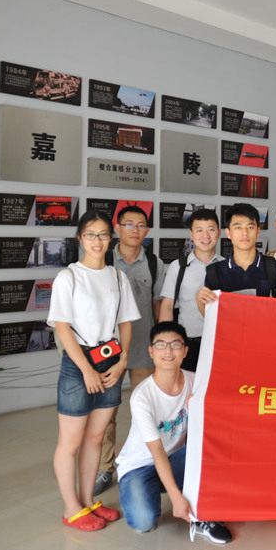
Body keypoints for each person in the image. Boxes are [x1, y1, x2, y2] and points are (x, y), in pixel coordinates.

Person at [47, 210, 140, 531]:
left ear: (110, 238)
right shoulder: (69, 277)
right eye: (90, 234)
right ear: (80, 238)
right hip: (78, 362)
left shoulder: (117, 277)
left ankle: (87, 501)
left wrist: (123, 360)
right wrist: (85, 368)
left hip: (110, 359)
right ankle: (71, 508)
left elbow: (125, 322)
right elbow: (62, 327)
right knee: (70, 441)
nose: (97, 241)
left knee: (95, 437)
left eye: (102, 234)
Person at [115, 321, 232, 544]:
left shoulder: (196, 381)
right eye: (160, 345)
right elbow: (157, 452)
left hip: (175, 458)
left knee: (210, 448)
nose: (168, 351)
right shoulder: (142, 397)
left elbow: (216, 423)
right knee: (143, 522)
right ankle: (151, 488)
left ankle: (204, 513)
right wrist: (176, 499)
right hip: (140, 465)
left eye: (175, 345)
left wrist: (198, 411)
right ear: (151, 352)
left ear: (185, 351)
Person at [94, 205, 164, 496]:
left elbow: (158, 306)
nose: (135, 230)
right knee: (105, 412)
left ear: (146, 230)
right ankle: (103, 468)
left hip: (144, 349)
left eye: (140, 225)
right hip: (108, 351)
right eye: (129, 224)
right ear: (117, 228)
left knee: (145, 411)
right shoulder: (104, 259)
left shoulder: (155, 263)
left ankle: (142, 463)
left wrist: (161, 344)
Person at [158, 208, 223, 372]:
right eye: (199, 230)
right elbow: (167, 306)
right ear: (191, 235)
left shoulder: (227, 267)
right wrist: (165, 342)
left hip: (220, 343)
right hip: (187, 343)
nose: (205, 236)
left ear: (219, 233)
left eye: (211, 229)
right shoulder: (178, 267)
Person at [197, 203, 276, 305]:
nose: (245, 233)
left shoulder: (273, 267)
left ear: (258, 232)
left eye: (250, 227)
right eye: (238, 227)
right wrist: (200, 301)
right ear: (228, 233)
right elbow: (210, 313)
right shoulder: (214, 272)